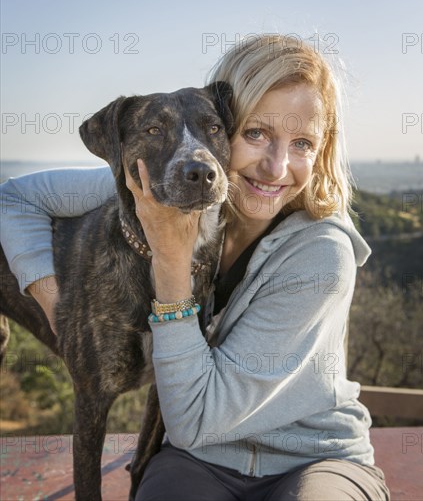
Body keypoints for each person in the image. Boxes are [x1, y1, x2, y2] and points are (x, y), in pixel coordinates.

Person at [0, 34, 390, 500]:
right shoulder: (156, 189)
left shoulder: (321, 253)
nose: (275, 166)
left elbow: (194, 416)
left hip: (313, 457)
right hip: (201, 458)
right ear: (230, 126)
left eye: (301, 142)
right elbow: (15, 197)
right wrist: (50, 297)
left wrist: (169, 259)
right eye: (255, 133)